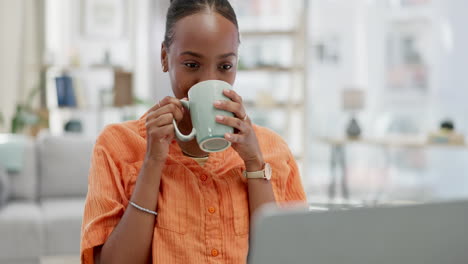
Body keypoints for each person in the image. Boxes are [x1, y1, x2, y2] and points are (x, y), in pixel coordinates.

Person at [80, 0, 306, 263]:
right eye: (191, 64)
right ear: (165, 57)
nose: (209, 80)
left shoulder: (272, 149)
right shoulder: (117, 145)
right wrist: (153, 162)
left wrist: (255, 163)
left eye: (224, 67)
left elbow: (288, 255)